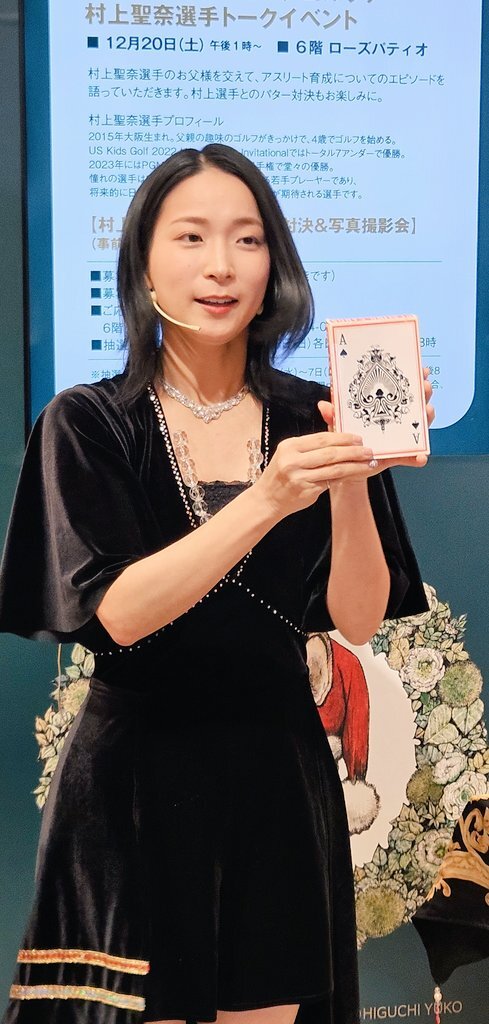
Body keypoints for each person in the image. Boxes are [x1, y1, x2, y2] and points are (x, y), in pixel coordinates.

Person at [0, 144, 433, 1024]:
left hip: (276, 771)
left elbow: (355, 619)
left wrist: (353, 474)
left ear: (274, 266)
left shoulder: (314, 410)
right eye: (191, 236)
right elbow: (120, 614)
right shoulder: (88, 422)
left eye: (247, 239)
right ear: (142, 263)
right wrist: (269, 496)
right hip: (135, 783)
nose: (221, 265)